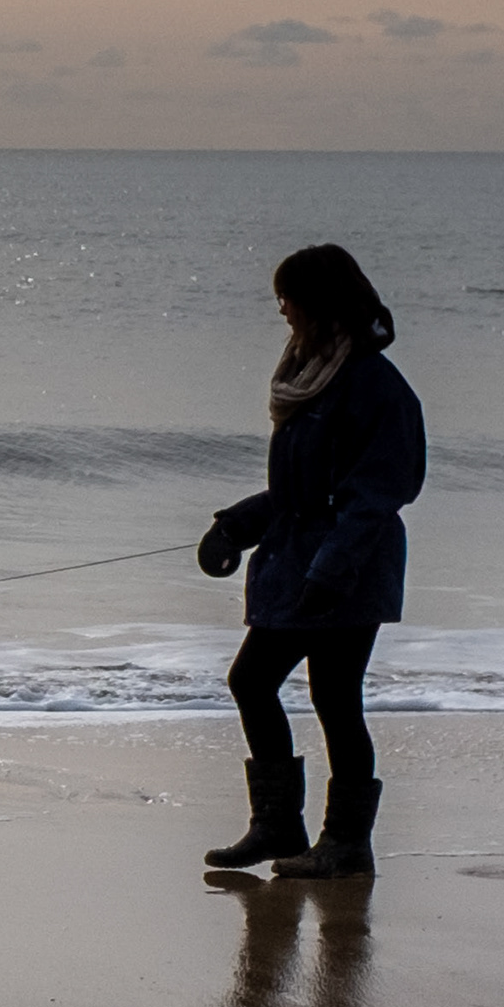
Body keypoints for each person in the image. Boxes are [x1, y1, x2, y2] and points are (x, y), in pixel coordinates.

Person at [195, 243, 426, 878]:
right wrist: (234, 527)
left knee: (334, 697)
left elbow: (377, 493)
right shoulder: (311, 376)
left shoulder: (375, 386)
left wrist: (332, 569)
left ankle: (346, 843)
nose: (283, 312)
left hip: (350, 567)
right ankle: (278, 828)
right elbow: (298, 491)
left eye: (289, 299)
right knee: (253, 682)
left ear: (321, 304)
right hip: (296, 560)